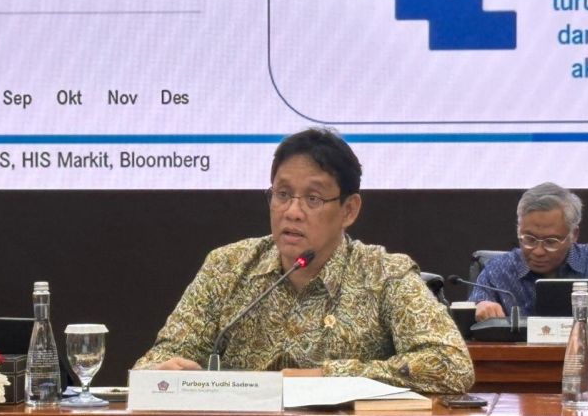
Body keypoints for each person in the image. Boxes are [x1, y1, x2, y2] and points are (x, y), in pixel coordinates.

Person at [133, 128, 474, 393]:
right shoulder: (227, 267)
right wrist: (162, 373)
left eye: (313, 198)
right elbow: (158, 360)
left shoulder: (385, 274)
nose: (292, 212)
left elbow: (451, 365)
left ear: (349, 210)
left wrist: (325, 376)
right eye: (282, 194)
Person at [469, 182, 588, 322]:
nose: (538, 251)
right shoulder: (498, 271)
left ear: (574, 234)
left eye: (551, 242)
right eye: (529, 239)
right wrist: (479, 309)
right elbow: (471, 314)